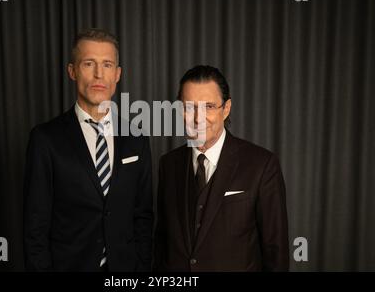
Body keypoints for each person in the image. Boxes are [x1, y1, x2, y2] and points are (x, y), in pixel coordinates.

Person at [24, 29, 153, 271]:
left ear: (117, 74)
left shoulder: (137, 139)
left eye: (107, 65)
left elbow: (142, 217)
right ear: (72, 71)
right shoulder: (45, 139)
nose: (98, 74)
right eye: (88, 63)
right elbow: (35, 227)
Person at [153, 65, 289, 271]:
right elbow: (162, 242)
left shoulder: (262, 165)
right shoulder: (168, 164)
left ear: (226, 109)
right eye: (189, 107)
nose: (198, 119)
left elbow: (276, 252)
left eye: (208, 106)